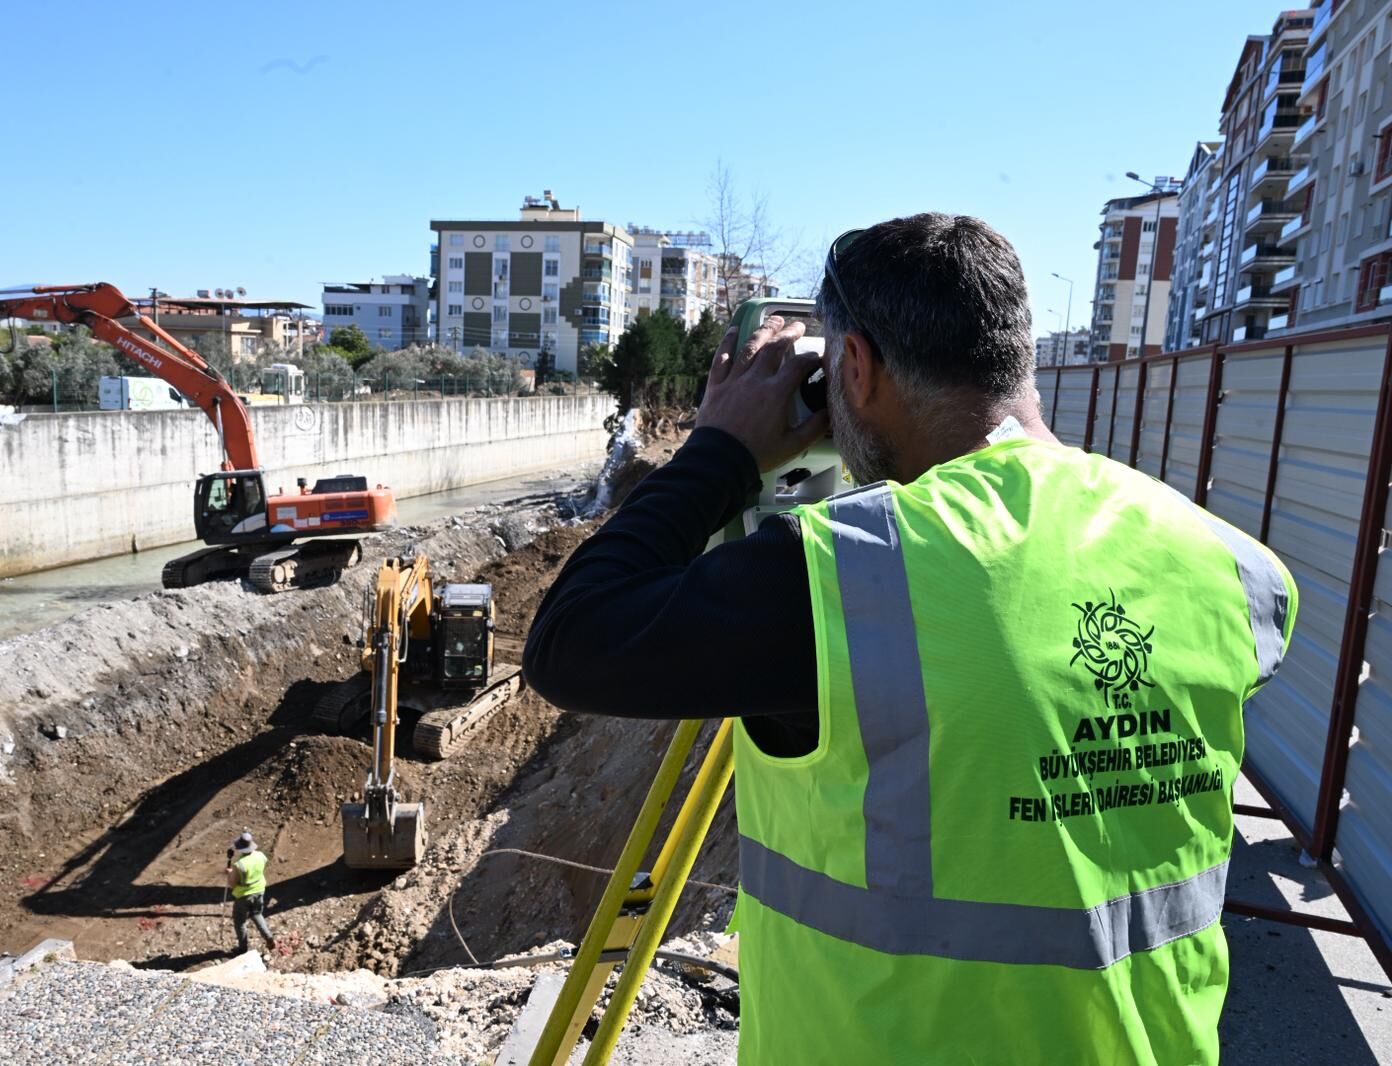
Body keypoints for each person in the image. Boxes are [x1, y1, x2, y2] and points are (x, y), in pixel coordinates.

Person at [523, 213, 1297, 1065]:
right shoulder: (1228, 565)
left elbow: (570, 640)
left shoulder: (846, 576)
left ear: (852, 367)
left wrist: (721, 450)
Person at [226, 831, 276, 954]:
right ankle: (269, 937)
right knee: (257, 914)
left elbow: (232, 884)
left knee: (240, 922)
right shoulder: (261, 856)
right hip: (259, 890)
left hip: (244, 896)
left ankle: (242, 949)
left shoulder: (239, 865)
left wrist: (229, 872)